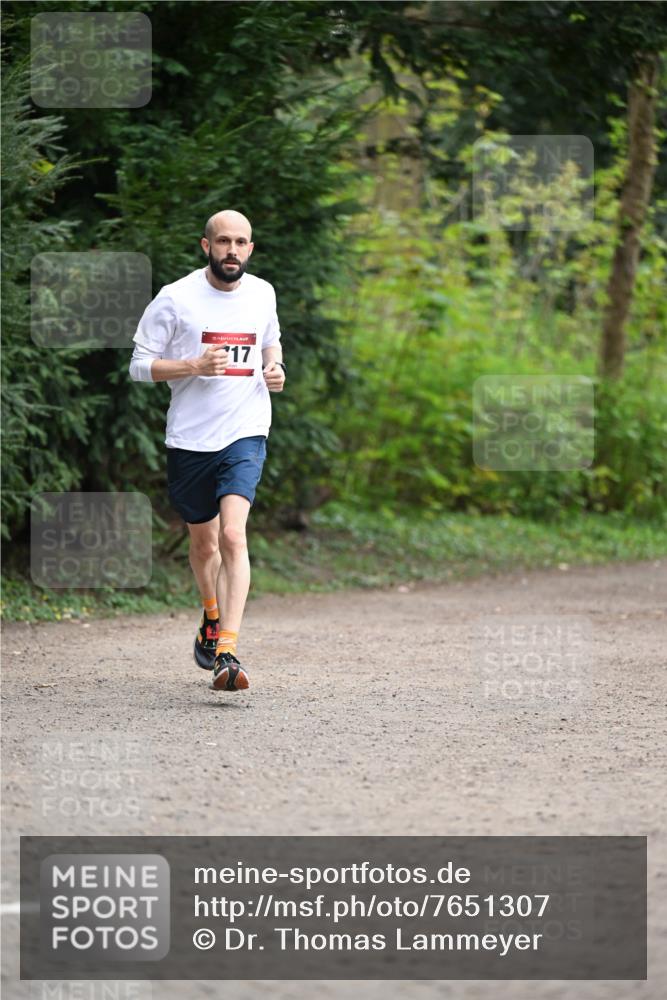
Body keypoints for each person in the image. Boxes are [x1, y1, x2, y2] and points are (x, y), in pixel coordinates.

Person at [129, 209, 285, 692]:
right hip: (191, 439)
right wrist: (192, 365)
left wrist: (276, 369)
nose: (232, 251)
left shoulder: (263, 292)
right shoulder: (175, 298)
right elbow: (138, 367)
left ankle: (227, 652)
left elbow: (270, 344)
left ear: (250, 249)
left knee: (234, 537)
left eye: (241, 242)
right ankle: (211, 614)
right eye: (223, 242)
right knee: (205, 544)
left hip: (246, 430)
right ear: (206, 246)